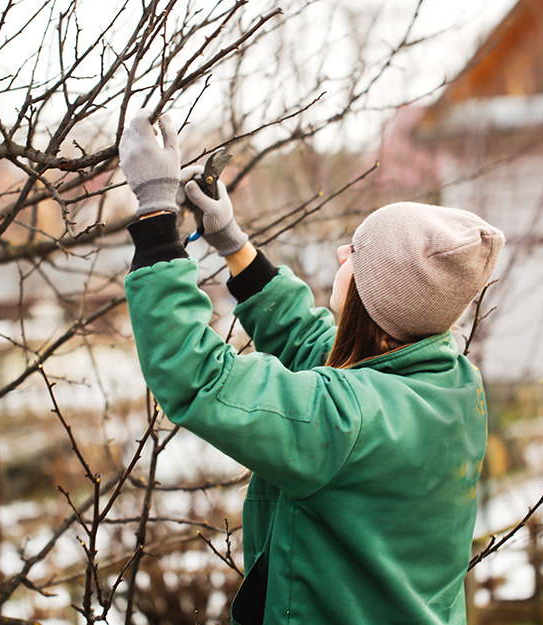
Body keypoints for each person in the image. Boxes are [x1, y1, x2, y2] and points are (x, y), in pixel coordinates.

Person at [118, 109, 505, 625]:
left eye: (357, 255)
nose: (343, 250)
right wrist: (233, 243)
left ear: (377, 300)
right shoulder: (451, 385)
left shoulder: (347, 421)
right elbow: (314, 343)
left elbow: (202, 378)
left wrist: (154, 215)